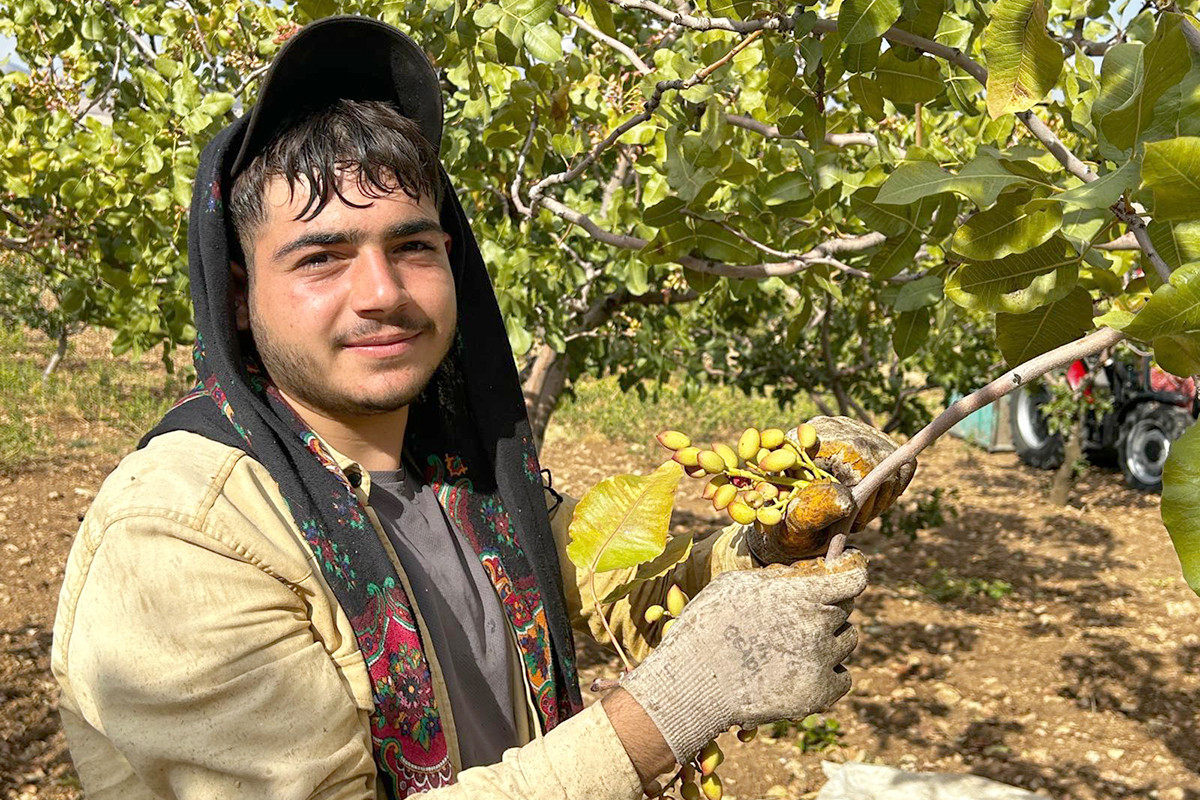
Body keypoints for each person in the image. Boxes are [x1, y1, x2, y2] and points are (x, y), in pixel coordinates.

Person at [50, 15, 916, 800]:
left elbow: (601, 578)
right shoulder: (180, 536)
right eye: (322, 258)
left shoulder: (453, 470)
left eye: (413, 246)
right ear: (240, 295)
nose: (382, 293)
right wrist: (666, 713)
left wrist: (767, 540)